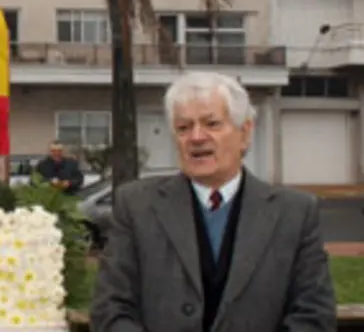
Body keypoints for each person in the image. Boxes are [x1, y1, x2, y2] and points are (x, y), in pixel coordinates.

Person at [91, 72, 336, 332]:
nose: (196, 137)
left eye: (212, 124)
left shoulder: (295, 213)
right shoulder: (136, 205)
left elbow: (313, 316)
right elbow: (111, 309)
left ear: (245, 132)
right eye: (184, 128)